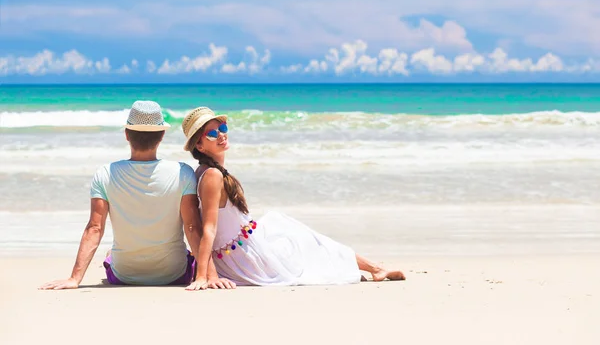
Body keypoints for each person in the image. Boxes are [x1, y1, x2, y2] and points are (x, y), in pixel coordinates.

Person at [181, 106, 405, 290]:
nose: (221, 134)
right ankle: (375, 268)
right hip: (243, 257)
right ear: (199, 145)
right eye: (211, 133)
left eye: (222, 128)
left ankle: (374, 268)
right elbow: (207, 228)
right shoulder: (212, 175)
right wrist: (205, 276)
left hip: (241, 245)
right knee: (301, 240)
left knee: (286, 226)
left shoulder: (209, 170)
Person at [40, 101, 234, 290]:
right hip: (175, 275)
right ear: (162, 136)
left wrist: (75, 278)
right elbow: (192, 228)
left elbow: (94, 229)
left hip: (123, 276)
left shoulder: (106, 173)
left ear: (126, 134)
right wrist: (210, 275)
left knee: (111, 253)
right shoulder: (182, 173)